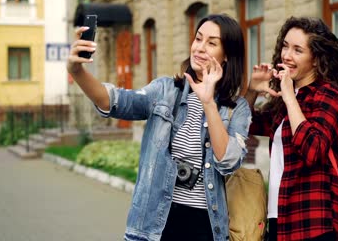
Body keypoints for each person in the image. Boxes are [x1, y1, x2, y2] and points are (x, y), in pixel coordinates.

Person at [67, 14, 251, 241]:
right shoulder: (166, 91)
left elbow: (228, 161)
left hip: (206, 228)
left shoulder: (237, 108)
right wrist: (77, 72)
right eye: (198, 39)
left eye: (211, 43)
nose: (200, 48)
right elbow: (114, 101)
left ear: (227, 57)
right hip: (152, 227)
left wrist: (209, 103)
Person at [245, 16, 338, 241]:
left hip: (314, 222)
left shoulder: (328, 95)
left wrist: (289, 96)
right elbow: (246, 125)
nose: (287, 55)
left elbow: (313, 149)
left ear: (316, 60)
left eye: (298, 50)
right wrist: (251, 91)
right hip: (280, 217)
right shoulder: (285, 98)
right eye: (285, 46)